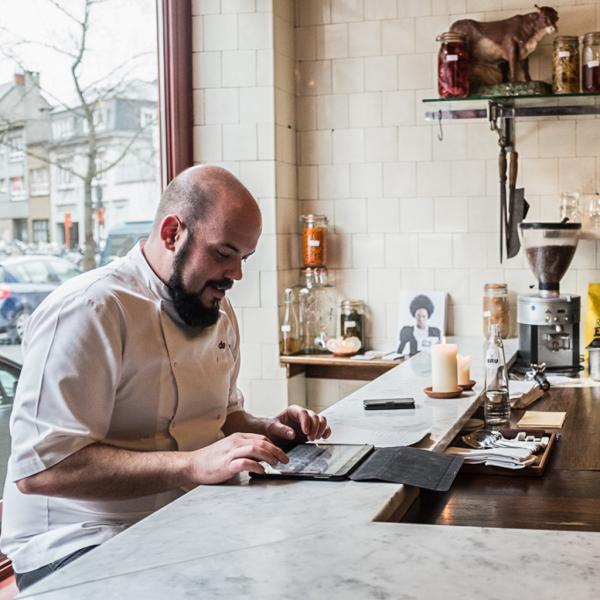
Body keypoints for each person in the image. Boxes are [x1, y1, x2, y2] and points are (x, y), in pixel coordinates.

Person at [1, 165, 331, 592]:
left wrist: (269, 430)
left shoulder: (215, 307)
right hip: (75, 543)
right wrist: (192, 465)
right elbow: (42, 469)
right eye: (224, 253)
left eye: (243, 259)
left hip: (180, 520)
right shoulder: (89, 310)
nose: (236, 275)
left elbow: (222, 417)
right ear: (173, 233)